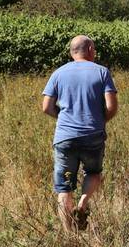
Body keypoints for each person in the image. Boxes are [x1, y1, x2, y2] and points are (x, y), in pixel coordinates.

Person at [41, 35, 118, 231]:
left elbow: (46, 107)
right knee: (93, 172)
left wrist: (64, 119)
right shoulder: (102, 72)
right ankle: (82, 203)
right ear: (90, 49)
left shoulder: (58, 73)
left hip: (64, 137)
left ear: (71, 52)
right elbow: (111, 106)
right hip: (93, 134)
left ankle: (69, 233)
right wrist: (99, 121)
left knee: (63, 188)